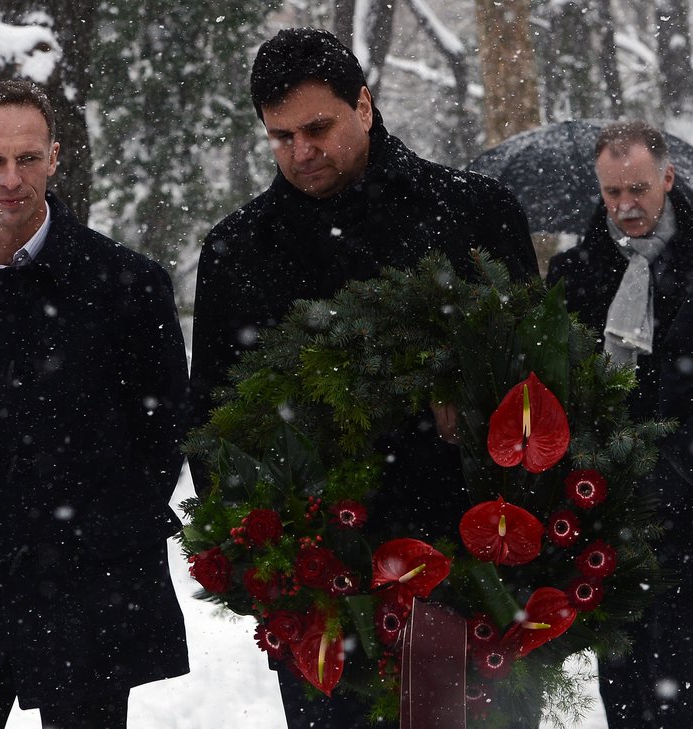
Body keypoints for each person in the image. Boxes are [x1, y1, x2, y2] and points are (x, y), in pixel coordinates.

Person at [189, 27, 538, 728]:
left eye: (317, 127)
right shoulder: (237, 251)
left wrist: (468, 406)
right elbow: (215, 427)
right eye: (280, 136)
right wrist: (265, 566)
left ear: (366, 106)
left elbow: (538, 390)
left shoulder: (472, 214)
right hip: (320, 591)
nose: (301, 151)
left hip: (467, 570)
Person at [0, 80, 189, 729]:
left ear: (54, 157)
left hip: (90, 585)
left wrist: (84, 528)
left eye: (28, 158)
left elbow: (160, 439)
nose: (11, 178)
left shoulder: (129, 287)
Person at [547, 120, 693, 727]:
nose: (626, 206)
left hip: (687, 503)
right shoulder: (577, 273)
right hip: (614, 512)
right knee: (628, 688)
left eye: (638, 188)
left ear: (667, 177)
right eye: (612, 193)